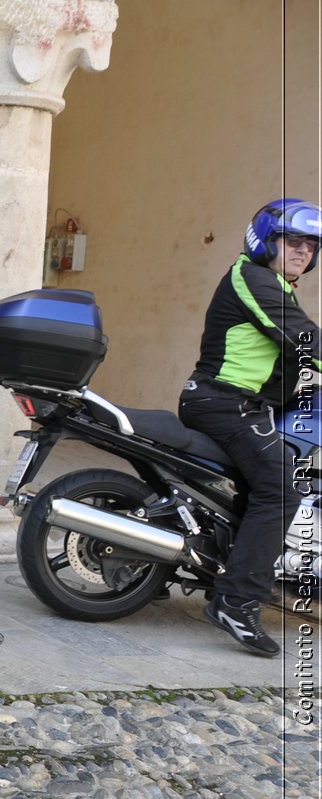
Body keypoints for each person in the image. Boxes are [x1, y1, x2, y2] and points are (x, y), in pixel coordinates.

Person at [180, 197, 321, 656]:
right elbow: (303, 339)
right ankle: (236, 603)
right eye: (292, 240)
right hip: (225, 405)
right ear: (265, 241)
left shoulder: (276, 286)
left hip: (239, 406)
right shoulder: (253, 278)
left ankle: (230, 565)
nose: (302, 251)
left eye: (311, 245)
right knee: (282, 489)